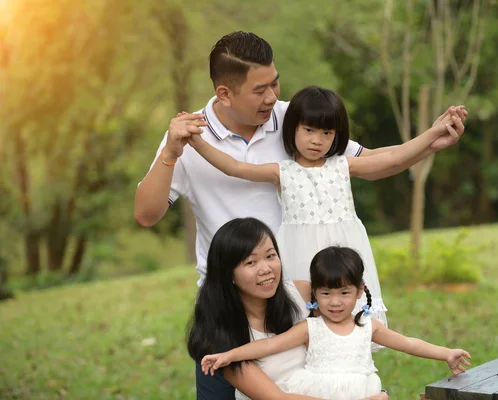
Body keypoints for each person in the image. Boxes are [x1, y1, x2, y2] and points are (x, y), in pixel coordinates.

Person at [133, 30, 466, 398]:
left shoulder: (297, 120)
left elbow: (370, 162)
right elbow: (146, 214)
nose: (272, 97)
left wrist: (430, 142)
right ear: (224, 94)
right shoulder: (188, 135)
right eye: (259, 90)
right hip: (229, 308)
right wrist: (172, 152)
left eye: (275, 83)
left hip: (294, 301)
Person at [184, 85, 465, 326]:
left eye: (327, 133)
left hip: (345, 253)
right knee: (306, 328)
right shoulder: (281, 171)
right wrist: (196, 142)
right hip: (300, 256)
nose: (317, 140)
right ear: (292, 127)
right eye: (309, 130)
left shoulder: (344, 165)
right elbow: (234, 167)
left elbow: (393, 160)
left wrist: (433, 133)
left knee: (349, 323)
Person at [200, 246, 472, 400]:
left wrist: (445, 353)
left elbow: (408, 343)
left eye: (344, 293)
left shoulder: (368, 326)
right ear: (314, 293)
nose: (335, 302)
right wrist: (229, 355)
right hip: (321, 393)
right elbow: (268, 346)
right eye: (326, 294)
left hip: (363, 390)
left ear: (359, 290)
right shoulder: (310, 328)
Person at [187, 217, 389, 400]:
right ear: (228, 274)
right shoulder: (222, 339)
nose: (266, 268)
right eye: (251, 262)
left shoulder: (302, 293)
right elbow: (278, 398)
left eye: (270, 255)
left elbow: (346, 340)